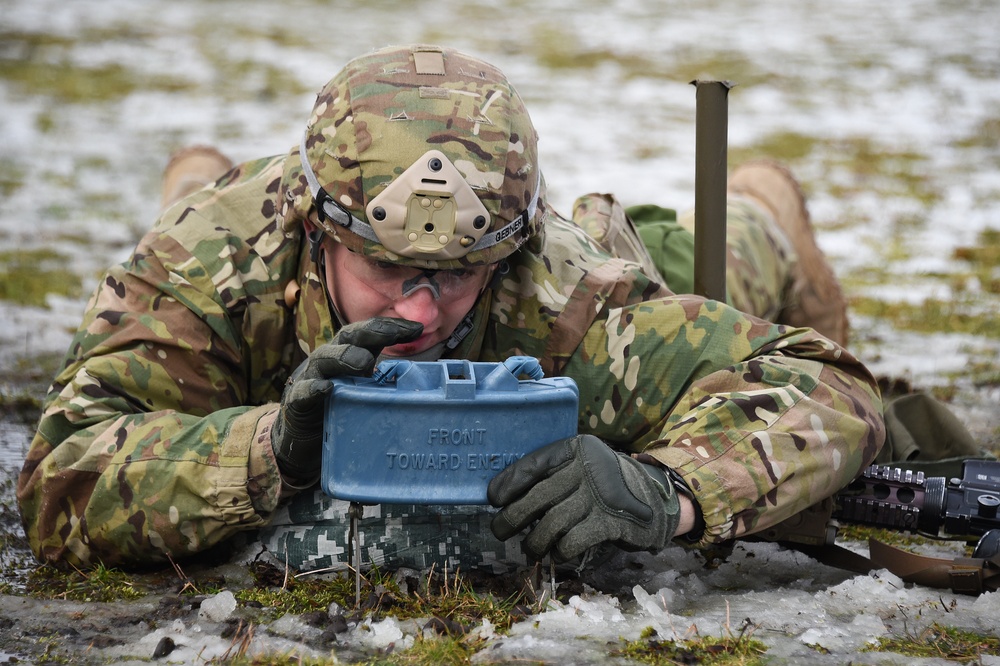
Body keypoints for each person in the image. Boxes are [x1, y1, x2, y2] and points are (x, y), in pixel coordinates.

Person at [17, 44, 884, 572]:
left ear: (505, 251)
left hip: (619, 251)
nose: (422, 314)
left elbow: (830, 386)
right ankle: (197, 171)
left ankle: (764, 202)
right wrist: (267, 447)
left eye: (458, 276)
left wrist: (667, 490)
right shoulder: (212, 269)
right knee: (190, 210)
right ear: (320, 231)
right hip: (227, 232)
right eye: (387, 272)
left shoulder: (562, 301)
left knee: (706, 252)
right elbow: (59, 477)